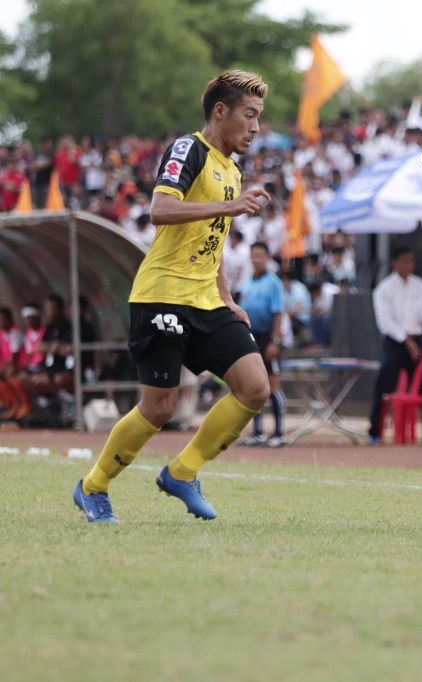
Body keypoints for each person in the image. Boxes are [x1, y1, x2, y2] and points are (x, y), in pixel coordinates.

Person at [72, 70, 273, 524]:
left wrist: (227, 297)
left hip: (207, 301)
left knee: (255, 387)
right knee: (159, 408)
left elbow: (212, 240)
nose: (256, 127)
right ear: (220, 111)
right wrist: (230, 205)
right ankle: (93, 486)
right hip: (162, 296)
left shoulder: (232, 169)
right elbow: (160, 210)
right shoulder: (189, 149)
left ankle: (182, 471)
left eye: (259, 117)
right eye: (249, 115)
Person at [367, 246, 422, 445]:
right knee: (384, 385)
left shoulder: (419, 285)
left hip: (416, 338)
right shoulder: (384, 289)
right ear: (395, 263)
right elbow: (385, 322)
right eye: (404, 261)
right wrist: (405, 340)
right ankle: (375, 431)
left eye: (411, 261)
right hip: (395, 342)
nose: (409, 265)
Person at [238, 241, 287, 448]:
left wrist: (275, 341)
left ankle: (279, 433)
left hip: (268, 337)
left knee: (273, 384)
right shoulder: (246, 283)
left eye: (261, 256)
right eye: (254, 256)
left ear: (267, 258)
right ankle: (257, 432)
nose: (257, 260)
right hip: (251, 337)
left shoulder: (273, 283)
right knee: (254, 386)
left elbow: (278, 313)